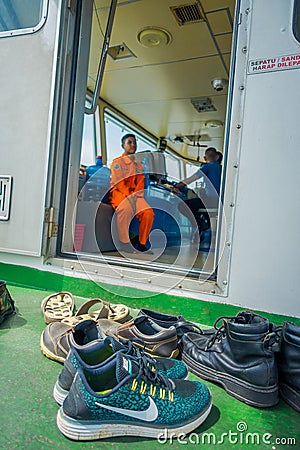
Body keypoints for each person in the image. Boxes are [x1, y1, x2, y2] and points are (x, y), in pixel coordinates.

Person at [110, 133, 154, 253]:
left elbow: (140, 183)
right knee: (126, 209)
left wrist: (136, 197)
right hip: (119, 193)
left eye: (134, 142)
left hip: (136, 195)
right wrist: (129, 197)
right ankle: (124, 243)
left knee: (148, 213)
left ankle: (142, 243)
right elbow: (118, 182)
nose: (133, 145)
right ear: (123, 145)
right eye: (129, 142)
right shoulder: (117, 162)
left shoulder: (139, 166)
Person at [174, 147, 222, 234]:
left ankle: (200, 224)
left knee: (182, 206)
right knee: (199, 205)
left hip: (211, 201)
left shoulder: (207, 167)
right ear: (217, 156)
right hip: (221, 202)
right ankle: (203, 226)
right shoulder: (222, 168)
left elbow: (191, 179)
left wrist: (176, 185)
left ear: (205, 158)